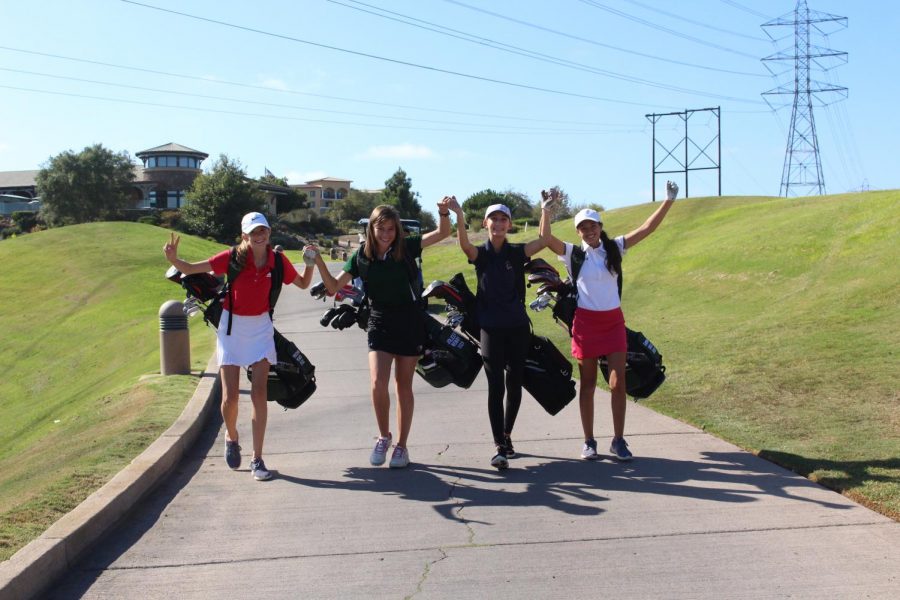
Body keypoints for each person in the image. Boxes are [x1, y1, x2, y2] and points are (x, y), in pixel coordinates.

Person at [163, 212, 315, 481]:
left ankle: (258, 459)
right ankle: (231, 437)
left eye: (263, 231)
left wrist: (310, 264)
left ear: (269, 233)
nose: (260, 235)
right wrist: (174, 259)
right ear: (244, 235)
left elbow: (303, 283)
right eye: (254, 231)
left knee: (259, 393)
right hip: (232, 328)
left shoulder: (276, 260)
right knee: (230, 398)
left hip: (261, 329)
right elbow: (191, 269)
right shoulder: (231, 257)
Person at [307, 199, 456, 468]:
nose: (386, 234)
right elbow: (332, 287)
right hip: (379, 320)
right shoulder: (360, 257)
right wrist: (318, 261)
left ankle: (402, 446)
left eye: (391, 229)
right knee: (377, 382)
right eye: (381, 229)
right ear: (371, 230)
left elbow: (443, 233)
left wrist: (444, 212)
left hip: (409, 321)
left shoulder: (406, 248)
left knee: (403, 386)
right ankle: (384, 437)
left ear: (397, 231)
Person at [546, 181, 679, 461]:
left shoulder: (614, 248)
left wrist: (668, 200)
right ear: (578, 231)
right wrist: (546, 210)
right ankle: (589, 441)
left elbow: (647, 229)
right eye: (583, 227)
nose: (589, 231)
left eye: (592, 225)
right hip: (585, 325)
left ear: (600, 226)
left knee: (618, 383)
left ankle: (618, 440)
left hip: (612, 323)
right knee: (589, 384)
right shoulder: (573, 254)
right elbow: (545, 238)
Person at [450, 195, 553, 469]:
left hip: (518, 327)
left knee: (514, 383)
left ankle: (507, 435)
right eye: (493, 219)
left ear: (509, 225)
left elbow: (543, 240)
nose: (498, 223)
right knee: (495, 386)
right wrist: (459, 216)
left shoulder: (517, 252)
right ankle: (499, 446)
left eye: (503, 219)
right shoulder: (481, 255)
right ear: (486, 224)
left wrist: (545, 210)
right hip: (490, 329)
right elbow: (464, 245)